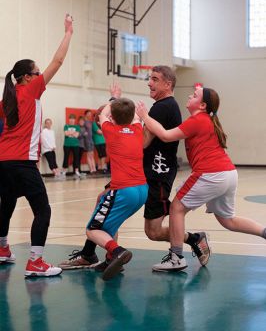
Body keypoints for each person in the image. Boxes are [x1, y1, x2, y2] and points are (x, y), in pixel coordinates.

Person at [59, 69, 210, 270]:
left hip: (156, 174)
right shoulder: (159, 107)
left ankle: (194, 238)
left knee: (153, 232)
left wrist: (114, 126)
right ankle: (97, 254)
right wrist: (118, 111)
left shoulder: (163, 108)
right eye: (149, 78)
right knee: (105, 200)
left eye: (155, 79)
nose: (149, 83)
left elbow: (142, 142)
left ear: (168, 84)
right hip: (139, 172)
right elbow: (136, 128)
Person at [136, 87, 266, 272]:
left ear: (203, 105)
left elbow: (165, 136)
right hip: (229, 173)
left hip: (210, 173)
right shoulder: (208, 121)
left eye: (195, 96)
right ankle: (264, 232)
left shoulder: (197, 120)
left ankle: (176, 258)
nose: (190, 96)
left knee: (176, 208)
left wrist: (144, 116)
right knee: (228, 220)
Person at [0, 14, 73, 277]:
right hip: (22, 162)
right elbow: (59, 60)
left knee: (6, 206)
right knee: (42, 210)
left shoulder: (6, 100)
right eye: (37, 73)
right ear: (27, 78)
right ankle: (35, 262)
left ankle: (3, 249)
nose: (41, 75)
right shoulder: (30, 91)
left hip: (3, 163)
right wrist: (68, 33)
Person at [86, 98, 148, 280]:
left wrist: (113, 100)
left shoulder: (110, 131)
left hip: (124, 190)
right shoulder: (137, 129)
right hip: (142, 190)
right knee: (111, 224)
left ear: (112, 116)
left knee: (92, 230)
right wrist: (119, 101)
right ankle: (110, 259)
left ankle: (117, 251)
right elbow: (134, 116)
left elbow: (103, 114)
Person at [62, 114, 81, 179]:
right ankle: (64, 171)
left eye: (73, 119)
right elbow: (66, 134)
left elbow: (76, 136)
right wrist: (73, 132)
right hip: (67, 144)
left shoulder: (77, 127)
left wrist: (70, 132)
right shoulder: (66, 126)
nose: (72, 120)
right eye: (70, 119)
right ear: (69, 119)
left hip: (75, 145)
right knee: (66, 157)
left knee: (76, 158)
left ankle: (76, 171)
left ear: (74, 120)